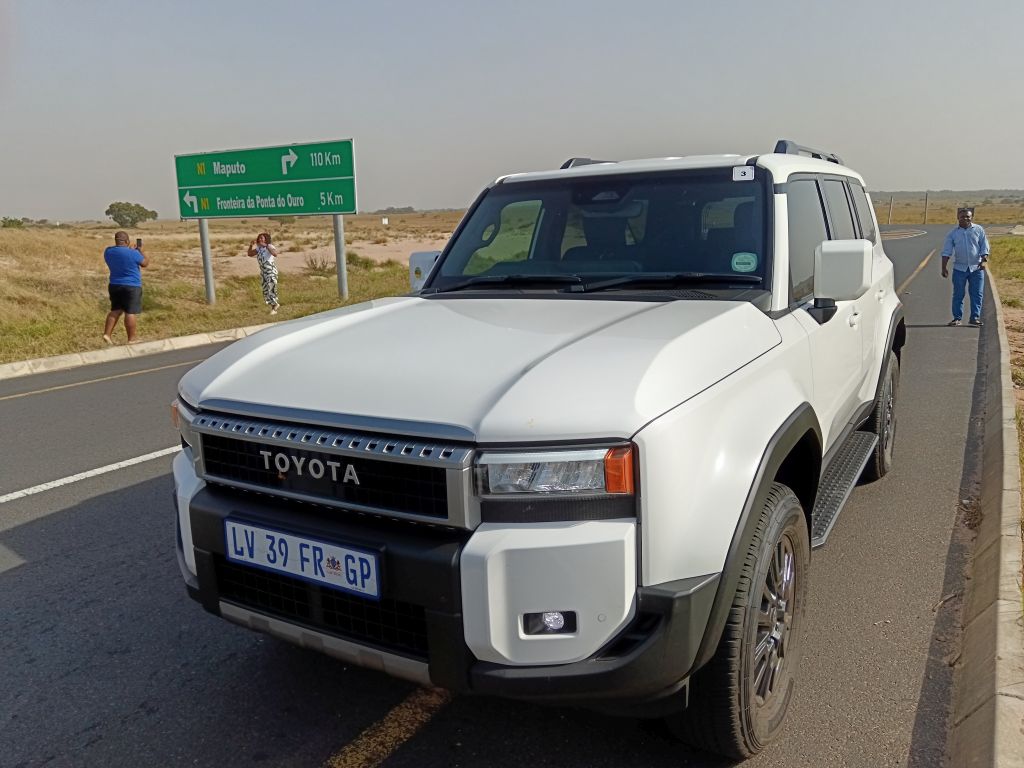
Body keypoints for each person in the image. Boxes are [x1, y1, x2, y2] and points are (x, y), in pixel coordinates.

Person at [941, 207, 990, 327]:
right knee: (958, 294)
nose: (966, 219)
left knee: (977, 294)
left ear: (971, 217)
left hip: (976, 268)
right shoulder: (953, 234)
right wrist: (944, 267)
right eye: (963, 216)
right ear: (957, 217)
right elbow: (947, 252)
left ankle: (974, 317)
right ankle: (957, 318)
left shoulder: (978, 230)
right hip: (959, 269)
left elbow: (984, 246)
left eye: (968, 216)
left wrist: (984, 260)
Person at [102, 231, 148, 344]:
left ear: (116, 240)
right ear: (127, 241)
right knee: (129, 312)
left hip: (114, 284)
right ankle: (131, 339)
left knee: (116, 310)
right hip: (131, 285)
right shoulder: (133, 253)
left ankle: (107, 334)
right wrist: (141, 251)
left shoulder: (108, 251)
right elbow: (145, 263)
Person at [247, 232, 280, 314]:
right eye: (259, 238)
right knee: (266, 290)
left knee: (271, 287)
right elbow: (249, 254)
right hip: (264, 271)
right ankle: (273, 305)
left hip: (270, 270)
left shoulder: (269, 246)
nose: (260, 239)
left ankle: (275, 307)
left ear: (266, 239)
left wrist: (266, 245)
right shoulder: (259, 249)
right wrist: (251, 245)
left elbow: (275, 254)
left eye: (262, 238)